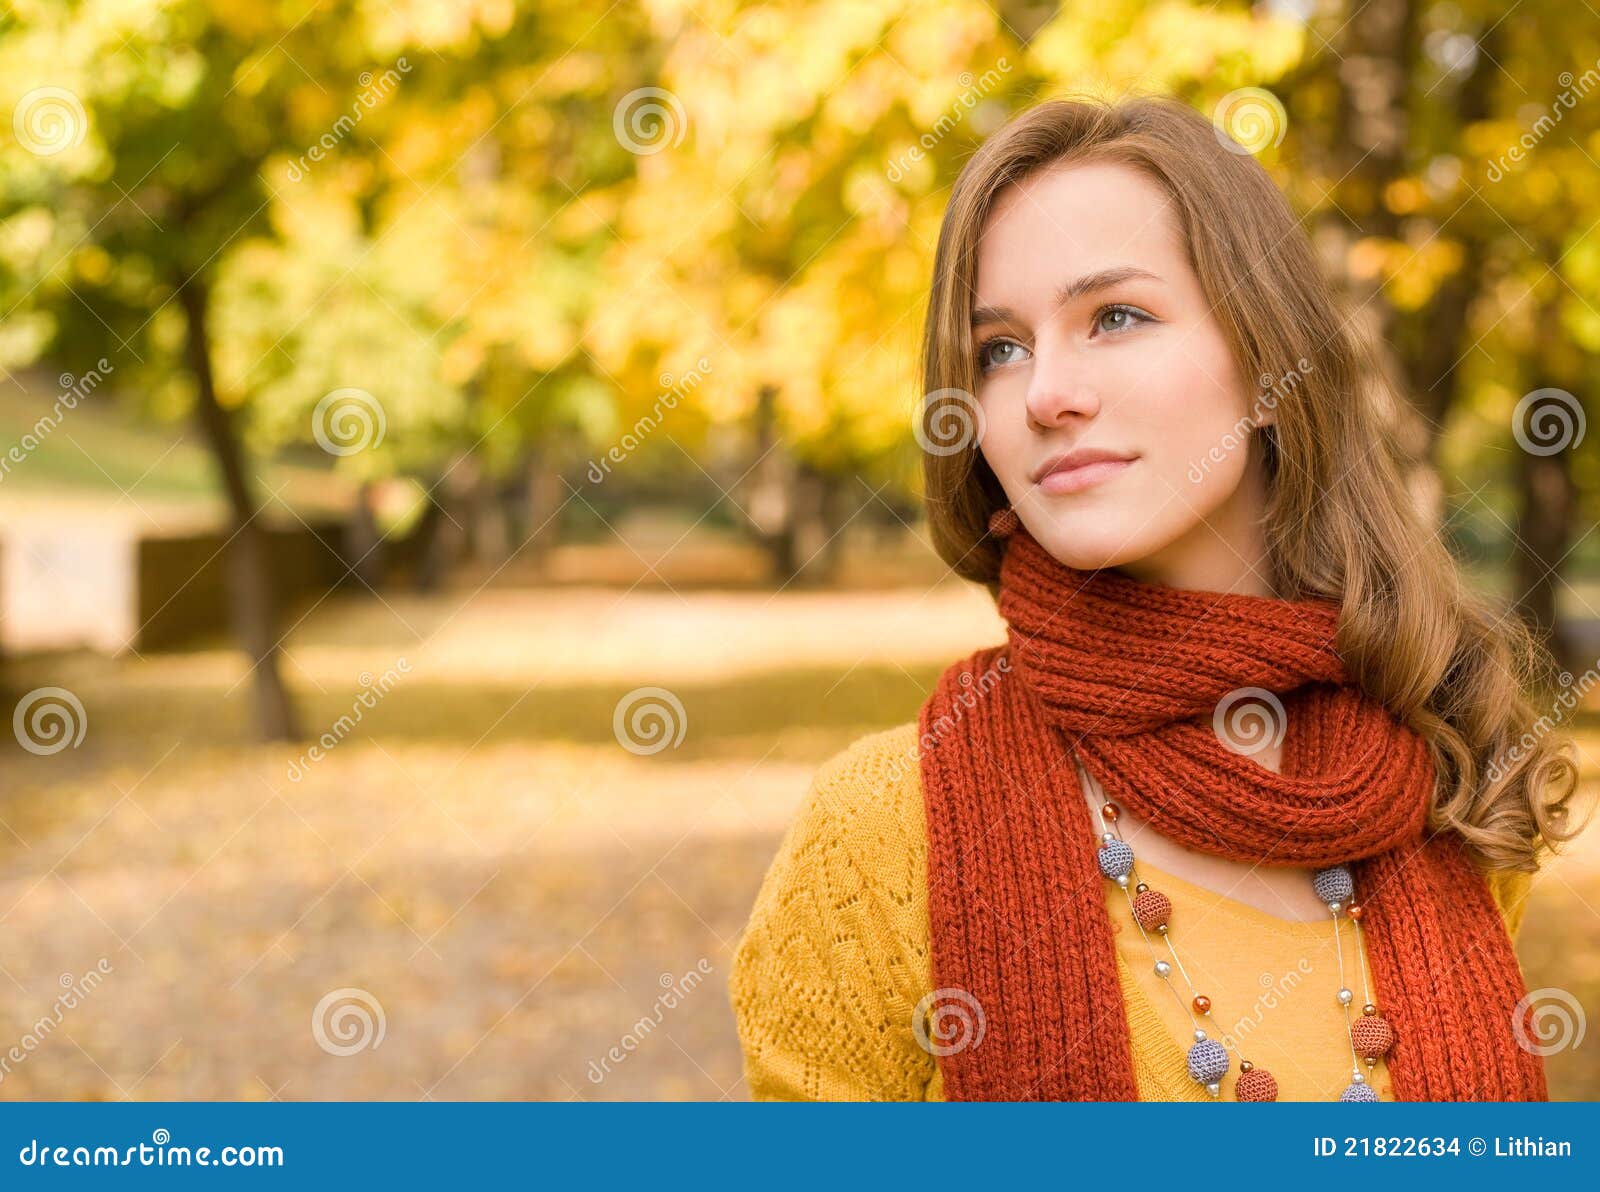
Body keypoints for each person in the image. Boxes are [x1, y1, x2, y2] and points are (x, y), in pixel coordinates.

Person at [728, 94, 1581, 1101]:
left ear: (1270, 365)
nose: (1046, 392)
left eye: (1114, 317)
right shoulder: (880, 835)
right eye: (998, 348)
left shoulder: (1439, 780)